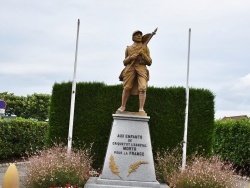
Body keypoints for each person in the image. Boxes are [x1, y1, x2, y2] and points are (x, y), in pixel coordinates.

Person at [117, 30, 152, 113]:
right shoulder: (129, 48)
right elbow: (124, 62)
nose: (139, 36)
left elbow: (149, 62)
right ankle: (123, 106)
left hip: (141, 69)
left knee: (143, 87)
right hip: (131, 68)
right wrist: (131, 57)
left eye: (140, 35)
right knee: (127, 87)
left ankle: (141, 108)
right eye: (137, 35)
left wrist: (143, 54)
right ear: (133, 38)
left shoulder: (145, 47)